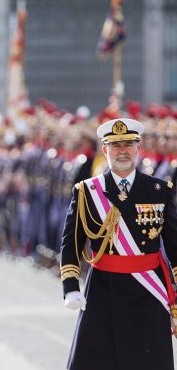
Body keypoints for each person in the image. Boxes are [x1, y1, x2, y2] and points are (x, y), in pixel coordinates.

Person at [59, 118, 177, 370]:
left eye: (128, 144)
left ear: (138, 148)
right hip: (103, 290)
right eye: (115, 145)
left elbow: (174, 246)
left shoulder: (159, 190)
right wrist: (70, 286)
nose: (122, 151)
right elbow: (71, 242)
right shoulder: (87, 191)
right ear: (105, 150)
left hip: (149, 290)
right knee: (97, 361)